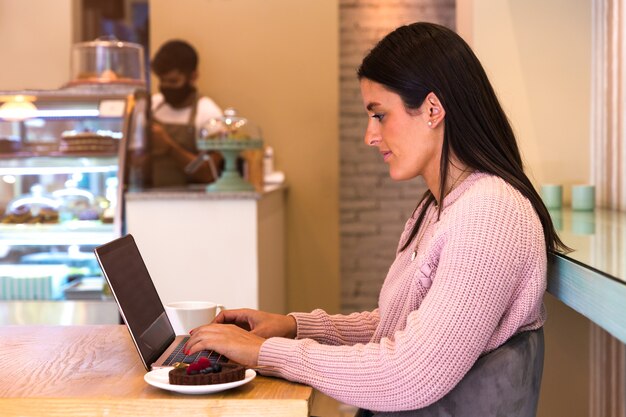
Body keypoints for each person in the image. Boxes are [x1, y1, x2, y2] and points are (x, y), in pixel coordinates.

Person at [182, 22, 569, 413]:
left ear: (433, 109)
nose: (370, 135)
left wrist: (266, 352)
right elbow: (400, 326)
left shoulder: (491, 214)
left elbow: (410, 371)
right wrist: (294, 327)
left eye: (379, 115)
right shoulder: (440, 207)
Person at [150, 39, 223, 187]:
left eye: (173, 81)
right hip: (149, 199)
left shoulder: (209, 114)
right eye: (162, 81)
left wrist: (169, 147)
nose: (165, 87)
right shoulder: (153, 106)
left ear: (193, 77)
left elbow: (209, 173)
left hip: (191, 204)